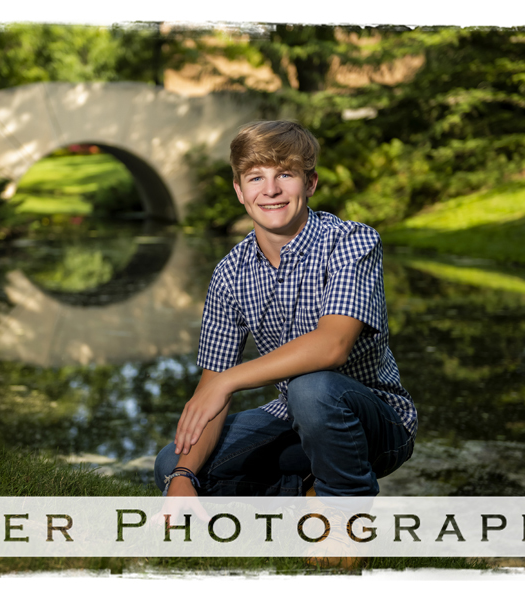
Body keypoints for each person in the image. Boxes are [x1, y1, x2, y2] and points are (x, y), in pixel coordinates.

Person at [154, 120, 416, 499]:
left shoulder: (351, 242)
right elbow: (211, 389)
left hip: (375, 420)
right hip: (294, 417)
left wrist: (230, 380)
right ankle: (305, 491)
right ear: (239, 191)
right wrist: (181, 476)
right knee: (173, 463)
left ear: (310, 184)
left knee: (311, 388)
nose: (271, 189)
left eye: (286, 174)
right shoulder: (230, 272)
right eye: (255, 178)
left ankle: (345, 516)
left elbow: (331, 346)